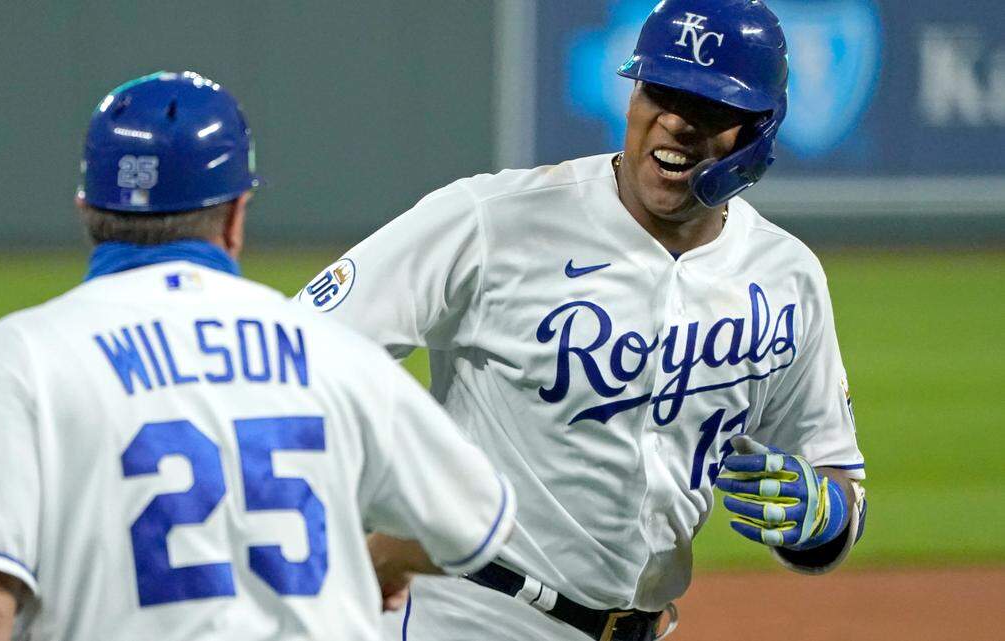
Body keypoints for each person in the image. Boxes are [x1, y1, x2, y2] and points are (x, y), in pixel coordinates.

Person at [295, 1, 868, 639]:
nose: (673, 121)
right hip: (471, 616)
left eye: (706, 105)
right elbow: (303, 356)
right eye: (659, 90)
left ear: (757, 134)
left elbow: (836, 473)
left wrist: (825, 512)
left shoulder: (787, 277)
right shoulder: (493, 219)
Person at [0, 71, 516, 641]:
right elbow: (478, 521)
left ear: (87, 210)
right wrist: (377, 558)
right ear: (235, 214)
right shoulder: (333, 350)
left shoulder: (25, 356)